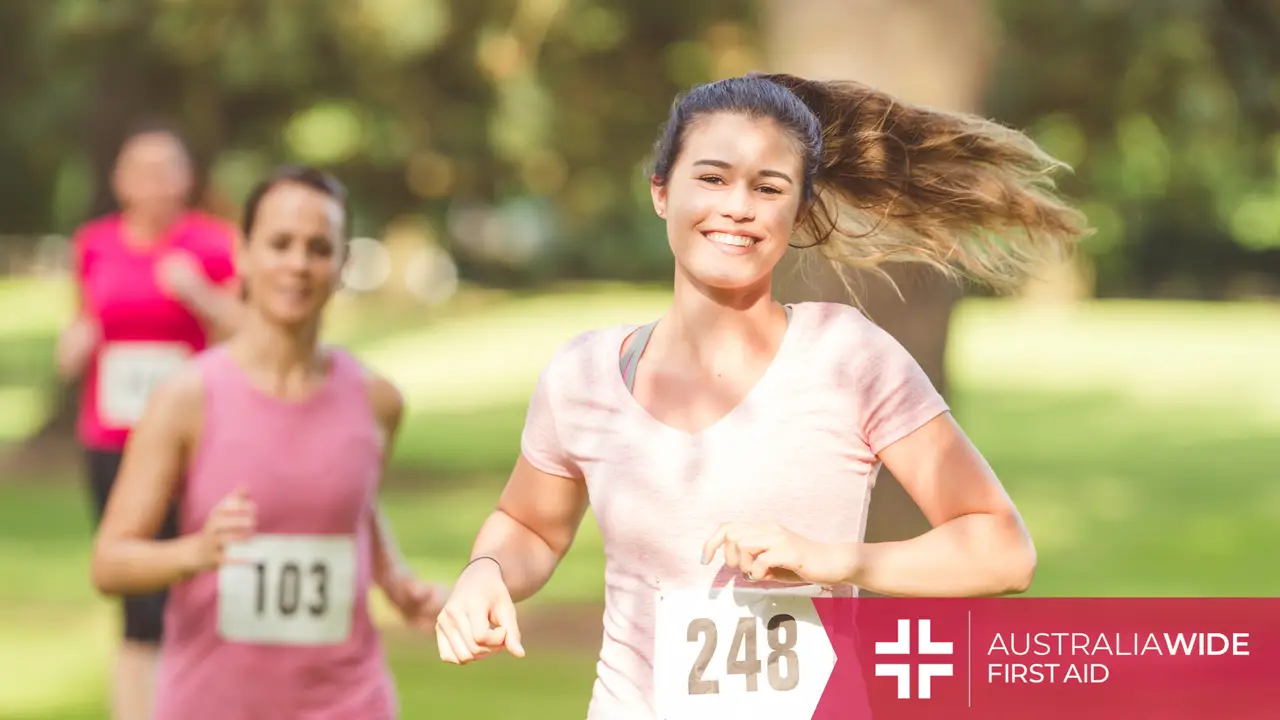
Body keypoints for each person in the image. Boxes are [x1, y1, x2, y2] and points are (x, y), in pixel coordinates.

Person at [434, 73, 1091, 718]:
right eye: (712, 178)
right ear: (662, 191)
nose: (738, 207)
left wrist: (829, 559)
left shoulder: (847, 357)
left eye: (767, 187)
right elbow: (529, 527)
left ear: (798, 211)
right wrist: (487, 570)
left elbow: (1001, 547)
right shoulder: (583, 376)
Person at [89, 165, 447, 719]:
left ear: (343, 264)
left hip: (351, 701)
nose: (298, 265)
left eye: (319, 247)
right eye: (280, 243)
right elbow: (109, 563)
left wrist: (397, 582)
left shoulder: (379, 400)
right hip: (212, 702)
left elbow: (356, 506)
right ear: (244, 253)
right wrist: (196, 553)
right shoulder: (185, 398)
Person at [55, 119, 242, 720]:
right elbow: (84, 321)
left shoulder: (212, 245)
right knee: (131, 588)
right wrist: (76, 342)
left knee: (189, 582)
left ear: (187, 179)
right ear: (119, 180)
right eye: (142, 170)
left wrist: (199, 296)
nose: (155, 183)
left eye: (168, 170)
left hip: (191, 441)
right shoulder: (93, 244)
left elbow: (247, 330)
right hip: (112, 438)